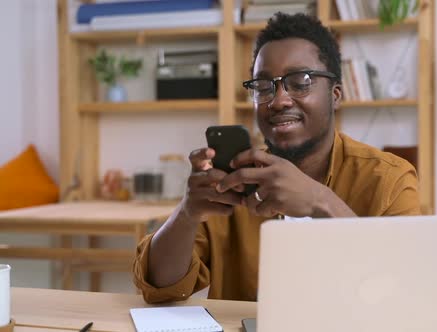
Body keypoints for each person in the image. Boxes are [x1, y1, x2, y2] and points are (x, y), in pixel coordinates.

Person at [133, 13, 420, 304]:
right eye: (263, 85)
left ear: (335, 95)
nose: (279, 100)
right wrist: (187, 213)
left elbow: (406, 292)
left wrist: (320, 202)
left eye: (300, 82)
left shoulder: (389, 180)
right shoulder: (235, 181)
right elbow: (160, 287)